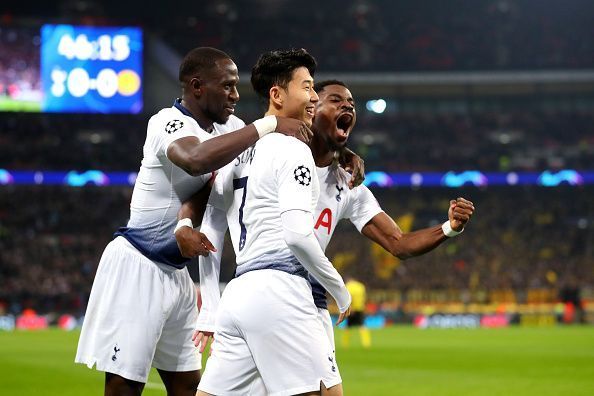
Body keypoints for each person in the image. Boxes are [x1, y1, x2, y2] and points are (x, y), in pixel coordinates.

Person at [74, 46, 315, 396]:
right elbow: (195, 159)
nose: (235, 95)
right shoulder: (166, 122)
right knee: (125, 387)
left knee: (187, 384)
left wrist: (341, 155)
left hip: (178, 274)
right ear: (198, 87)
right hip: (138, 264)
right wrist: (269, 123)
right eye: (227, 86)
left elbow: (256, 162)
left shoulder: (230, 127)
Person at [193, 49, 351, 396]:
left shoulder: (236, 152)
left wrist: (211, 306)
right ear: (277, 96)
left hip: (237, 294)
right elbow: (296, 234)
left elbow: (210, 232)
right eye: (307, 87)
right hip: (282, 290)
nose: (314, 96)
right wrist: (338, 286)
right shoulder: (293, 150)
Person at [343, 276, 371, 348]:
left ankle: (345, 344)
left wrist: (351, 308)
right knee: (362, 325)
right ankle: (366, 343)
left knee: (348, 326)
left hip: (351, 309)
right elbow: (364, 297)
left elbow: (349, 297)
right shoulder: (361, 286)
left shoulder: (348, 286)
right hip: (360, 308)